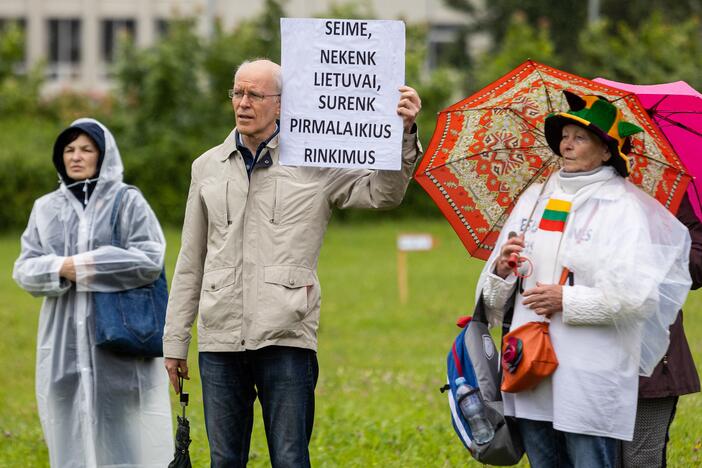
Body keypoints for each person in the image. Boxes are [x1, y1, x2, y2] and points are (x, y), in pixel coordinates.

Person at [162, 58, 423, 467]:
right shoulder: (206, 166)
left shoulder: (316, 161)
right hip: (220, 339)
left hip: (286, 336)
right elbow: (191, 259)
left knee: (290, 458)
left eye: (255, 94)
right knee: (224, 460)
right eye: (237, 92)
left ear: (282, 104)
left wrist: (403, 134)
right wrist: (175, 341)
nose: (243, 103)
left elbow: (382, 193)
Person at [475, 91, 691, 468]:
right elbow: (490, 301)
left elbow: (637, 299)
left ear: (607, 151)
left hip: (589, 369)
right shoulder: (534, 199)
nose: (566, 144)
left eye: (580, 137)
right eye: (564, 136)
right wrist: (502, 270)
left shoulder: (623, 208)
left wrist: (567, 300)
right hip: (529, 368)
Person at [13, 118, 173, 467]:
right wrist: (58, 268)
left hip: (119, 345)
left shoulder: (127, 201)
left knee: (126, 438)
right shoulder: (46, 209)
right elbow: (24, 268)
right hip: (63, 347)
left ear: (103, 155)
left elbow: (149, 259)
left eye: (86, 149)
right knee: (68, 433)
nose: (76, 156)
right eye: (69, 150)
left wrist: (81, 267)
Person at [620, 192, 701, 467]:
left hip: (650, 353)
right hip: (580, 355)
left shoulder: (667, 192)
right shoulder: (564, 196)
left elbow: (698, 259)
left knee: (641, 460)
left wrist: (652, 253)